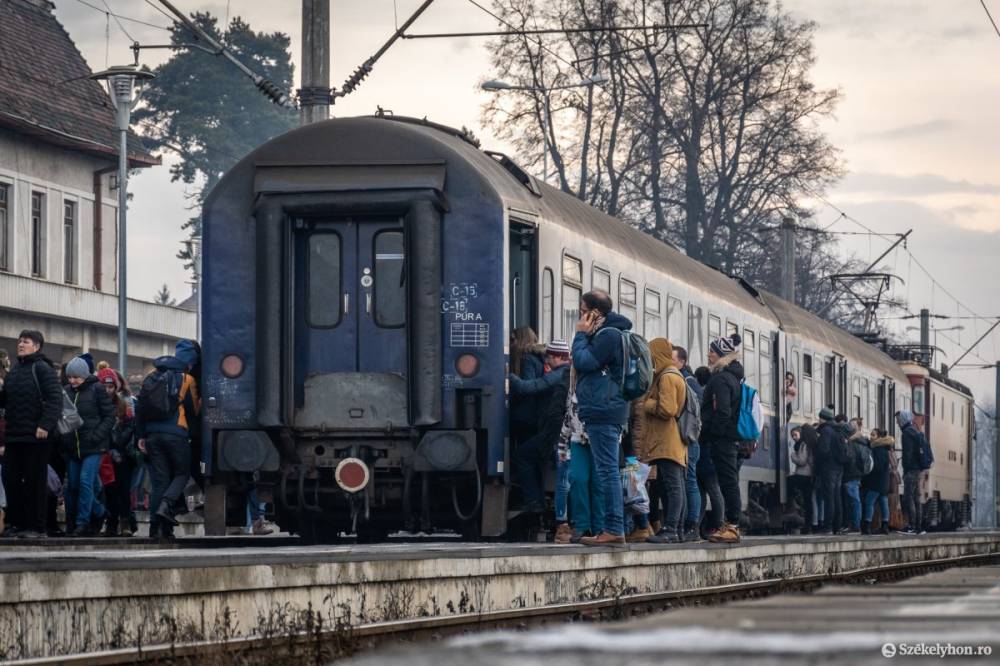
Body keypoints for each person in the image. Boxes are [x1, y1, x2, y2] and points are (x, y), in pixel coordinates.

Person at [572, 290, 631, 547]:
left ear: (595, 312)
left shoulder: (607, 336)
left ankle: (614, 528)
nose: (580, 315)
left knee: (607, 472)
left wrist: (580, 334)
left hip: (604, 410)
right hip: (605, 409)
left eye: (583, 310)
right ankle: (613, 527)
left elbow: (584, 361)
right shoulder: (609, 334)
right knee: (607, 471)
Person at [0, 331, 63, 539]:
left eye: (25, 342)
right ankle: (15, 523)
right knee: (11, 481)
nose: (20, 344)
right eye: (19, 341)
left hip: (37, 437)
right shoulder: (15, 370)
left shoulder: (43, 369)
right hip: (14, 436)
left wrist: (45, 425)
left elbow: (55, 400)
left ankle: (36, 527)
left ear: (36, 346)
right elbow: (6, 400)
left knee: (35, 483)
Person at [136, 339, 202, 539]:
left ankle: (157, 529)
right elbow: (193, 411)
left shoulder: (151, 376)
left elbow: (140, 409)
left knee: (160, 482)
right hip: (176, 435)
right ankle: (167, 504)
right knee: (181, 474)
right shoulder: (186, 379)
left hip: (152, 436)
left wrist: (140, 436)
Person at [509, 340, 572, 513]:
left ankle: (534, 502)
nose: (546, 361)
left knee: (522, 455)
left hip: (555, 434)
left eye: (549, 357)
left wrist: (507, 374)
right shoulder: (566, 372)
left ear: (557, 357)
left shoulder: (560, 374)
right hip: (557, 433)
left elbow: (528, 387)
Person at [636, 338, 688, 544]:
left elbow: (668, 409)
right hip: (670, 440)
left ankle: (671, 529)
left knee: (673, 487)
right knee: (674, 486)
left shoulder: (667, 377)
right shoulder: (674, 375)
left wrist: (647, 404)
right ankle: (677, 529)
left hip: (668, 440)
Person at [61, 356, 115, 537]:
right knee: (74, 485)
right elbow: (64, 419)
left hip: (94, 447)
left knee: (85, 481)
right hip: (74, 448)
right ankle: (100, 512)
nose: (72, 381)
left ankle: (82, 522)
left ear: (85, 375)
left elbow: (109, 417)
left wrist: (96, 436)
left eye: (76, 377)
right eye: (69, 377)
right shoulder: (66, 392)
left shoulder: (97, 389)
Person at [701, 333, 743, 544]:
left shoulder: (720, 379)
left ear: (720, 355)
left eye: (712, 350)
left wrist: (712, 434)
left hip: (723, 439)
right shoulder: (733, 378)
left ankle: (732, 526)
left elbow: (722, 412)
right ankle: (731, 524)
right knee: (728, 481)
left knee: (728, 482)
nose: (708, 354)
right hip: (728, 438)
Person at [559, 365, 604, 544]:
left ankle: (599, 525)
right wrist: (563, 442)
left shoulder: (601, 382)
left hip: (600, 438)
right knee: (578, 478)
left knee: (598, 483)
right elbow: (569, 413)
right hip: (579, 437)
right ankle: (583, 524)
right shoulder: (574, 387)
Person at [98, 368, 137, 536]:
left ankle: (125, 522)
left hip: (122, 455)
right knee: (109, 491)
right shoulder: (94, 404)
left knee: (123, 490)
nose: (108, 390)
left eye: (110, 387)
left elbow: (129, 427)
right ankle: (111, 523)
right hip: (103, 453)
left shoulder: (124, 405)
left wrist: (117, 446)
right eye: (104, 387)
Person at [672, 346, 703, 541]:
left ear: (682, 362)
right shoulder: (688, 382)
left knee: (689, 481)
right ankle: (688, 525)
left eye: (672, 359)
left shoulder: (687, 382)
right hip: (689, 439)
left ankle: (692, 525)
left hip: (688, 439)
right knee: (687, 481)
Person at [508, 327, 546, 448]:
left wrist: (509, 377)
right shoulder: (538, 357)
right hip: (535, 414)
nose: (510, 344)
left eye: (512, 339)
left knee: (521, 454)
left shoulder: (527, 359)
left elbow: (527, 387)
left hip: (525, 415)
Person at [815, 408, 847, 534]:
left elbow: (823, 450)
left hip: (829, 468)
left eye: (820, 417)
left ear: (823, 418)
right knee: (837, 496)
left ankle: (828, 527)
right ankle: (837, 527)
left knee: (829, 497)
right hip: (839, 467)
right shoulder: (838, 430)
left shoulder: (826, 430)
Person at [897, 410, 927, 534]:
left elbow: (908, 454)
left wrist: (906, 469)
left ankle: (912, 526)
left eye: (898, 420)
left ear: (903, 419)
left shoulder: (907, 433)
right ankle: (918, 527)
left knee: (908, 498)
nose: (897, 423)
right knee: (916, 498)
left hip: (911, 470)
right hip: (918, 469)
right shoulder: (914, 431)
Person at [862, 430, 893, 535]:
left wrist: (869, 472)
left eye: (873, 435)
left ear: (879, 437)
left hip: (877, 481)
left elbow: (877, 466)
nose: (871, 437)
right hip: (884, 481)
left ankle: (867, 525)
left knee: (869, 501)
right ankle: (885, 525)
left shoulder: (878, 449)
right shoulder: (885, 449)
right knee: (883, 502)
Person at [840, 420, 867, 534]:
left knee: (853, 500)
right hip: (855, 475)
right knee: (852, 501)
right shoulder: (859, 443)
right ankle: (852, 525)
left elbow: (848, 459)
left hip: (851, 475)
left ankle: (855, 526)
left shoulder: (851, 444)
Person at [788, 426, 814, 531]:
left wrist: (793, 456)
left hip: (804, 475)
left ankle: (793, 502)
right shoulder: (806, 444)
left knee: (789, 481)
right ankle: (808, 524)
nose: (794, 437)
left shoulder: (803, 445)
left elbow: (802, 461)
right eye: (792, 435)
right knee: (808, 501)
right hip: (808, 475)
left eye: (795, 435)